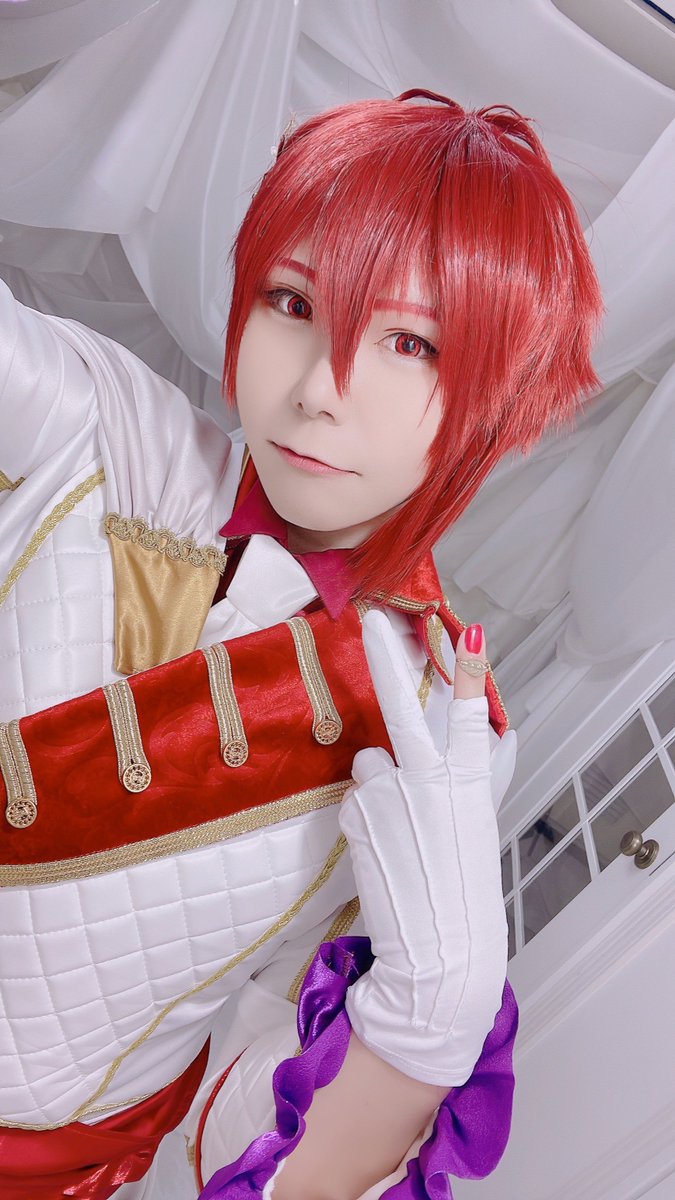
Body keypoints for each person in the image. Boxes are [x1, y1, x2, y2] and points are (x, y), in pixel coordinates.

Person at [0, 90, 602, 1199]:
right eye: (293, 301)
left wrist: (430, 1020)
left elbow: (241, 1123)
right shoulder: (101, 430)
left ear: (496, 398)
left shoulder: (437, 731)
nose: (321, 390)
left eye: (410, 343)